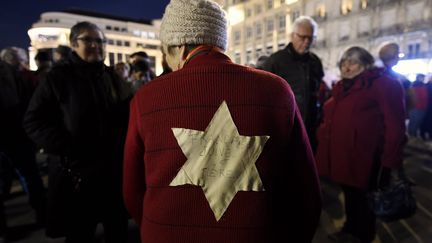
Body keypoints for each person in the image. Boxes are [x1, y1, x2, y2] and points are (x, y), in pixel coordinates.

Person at [123, 1, 322, 242]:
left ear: (181, 47)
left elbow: (132, 190)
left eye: (167, 54)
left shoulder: (146, 98)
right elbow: (306, 189)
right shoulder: (276, 90)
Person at [23, 21, 132, 243]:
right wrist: (69, 147)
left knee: (117, 230)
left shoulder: (113, 77)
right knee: (80, 232)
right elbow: (33, 121)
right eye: (89, 40)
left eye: (101, 41)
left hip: (112, 173)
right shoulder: (58, 78)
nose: (96, 45)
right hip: (76, 175)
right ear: (73, 44)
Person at [315, 46, 406, 243]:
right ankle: (351, 228)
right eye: (344, 62)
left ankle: (362, 234)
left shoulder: (383, 84)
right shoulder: (342, 86)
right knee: (350, 195)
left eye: (353, 62)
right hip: (344, 154)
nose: (347, 66)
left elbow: (395, 125)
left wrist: (390, 161)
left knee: (364, 199)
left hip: (366, 156)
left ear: (365, 64)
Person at [0, 58, 46, 241]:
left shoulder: (10, 73)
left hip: (14, 136)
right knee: (30, 177)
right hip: (17, 136)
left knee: (29, 177)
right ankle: (43, 213)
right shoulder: (12, 72)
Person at [262, 16, 324, 152]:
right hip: (285, 126)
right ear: (292, 35)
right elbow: (264, 94)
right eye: (303, 37)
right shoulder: (276, 61)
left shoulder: (315, 62)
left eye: (311, 38)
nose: (307, 42)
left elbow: (319, 92)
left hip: (310, 127)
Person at [378, 42, 411, 115]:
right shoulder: (390, 76)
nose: (399, 57)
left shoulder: (381, 73)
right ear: (394, 56)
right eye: (398, 54)